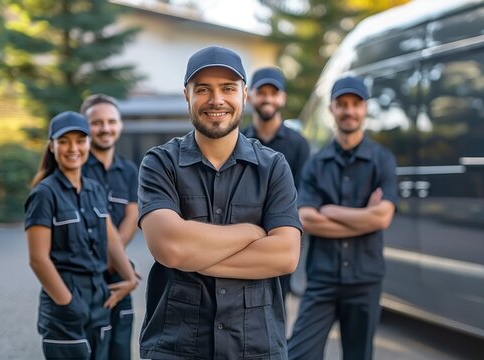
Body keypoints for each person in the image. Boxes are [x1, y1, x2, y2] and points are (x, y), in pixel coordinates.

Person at [137, 45, 302, 360]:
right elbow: (169, 247)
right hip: (176, 347)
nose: (216, 100)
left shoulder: (273, 167)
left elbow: (285, 255)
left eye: (228, 88)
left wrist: (189, 255)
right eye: (203, 89)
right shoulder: (159, 163)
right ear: (187, 95)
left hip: (256, 347)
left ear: (244, 95)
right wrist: (252, 233)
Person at [287, 76, 397, 360]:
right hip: (322, 280)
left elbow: (383, 218)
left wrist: (331, 211)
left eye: (355, 104)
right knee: (299, 354)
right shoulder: (316, 163)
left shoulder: (382, 160)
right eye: (342, 104)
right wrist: (365, 217)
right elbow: (307, 220)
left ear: (365, 108)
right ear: (332, 109)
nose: (349, 110)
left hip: (365, 281)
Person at [24, 111, 138, 360]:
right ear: (52, 147)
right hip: (66, 298)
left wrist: (130, 279)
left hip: (100, 296)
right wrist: (67, 303)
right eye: (63, 141)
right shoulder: (44, 194)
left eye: (79, 140)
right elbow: (38, 259)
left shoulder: (95, 189)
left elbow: (112, 241)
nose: (72, 148)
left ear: (88, 143)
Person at [242, 66, 309, 299]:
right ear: (250, 96)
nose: (268, 98)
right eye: (262, 92)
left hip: (281, 239)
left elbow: (303, 194)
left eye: (273, 92)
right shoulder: (238, 141)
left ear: (282, 98)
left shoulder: (299, 144)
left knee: (278, 309)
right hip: (243, 240)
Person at [80, 94, 139, 360]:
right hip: (83, 273)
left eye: (111, 121)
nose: (105, 128)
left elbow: (132, 216)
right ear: (85, 126)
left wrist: (114, 259)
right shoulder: (75, 167)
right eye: (97, 122)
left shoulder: (129, 171)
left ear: (120, 124)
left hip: (117, 272)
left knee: (119, 346)